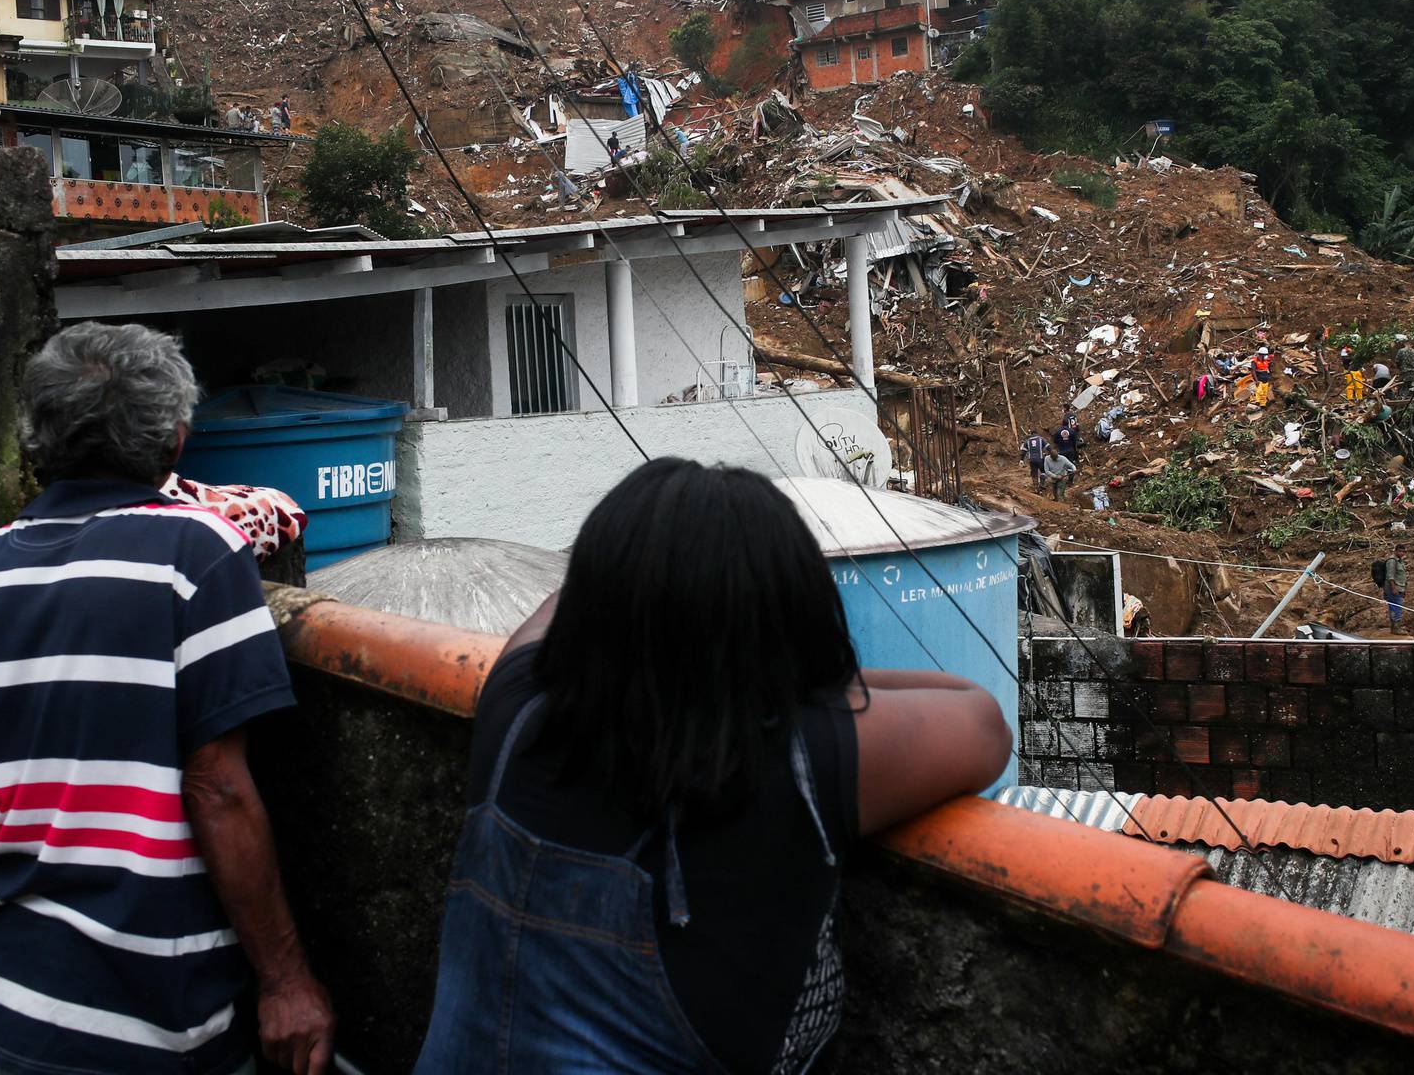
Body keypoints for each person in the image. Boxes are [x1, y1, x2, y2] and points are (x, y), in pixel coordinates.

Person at [410, 459, 1012, 1074]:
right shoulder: (791, 762)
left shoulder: (516, 707)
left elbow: (568, 607)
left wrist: (653, 533)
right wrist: (777, 683)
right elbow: (981, 719)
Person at [0, 323, 335, 1075]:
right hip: (144, 1025)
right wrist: (288, 982)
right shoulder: (196, 552)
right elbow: (218, 786)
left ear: (37, 438)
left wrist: (15, 812)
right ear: (174, 442)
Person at [1384, 541, 1408, 631]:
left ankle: (1396, 626)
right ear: (1396, 551)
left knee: (1397, 606)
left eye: (1404, 552)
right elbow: (1390, 576)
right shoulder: (1392, 561)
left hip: (1399, 588)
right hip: (1393, 588)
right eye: (1400, 551)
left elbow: (1401, 576)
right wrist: (1393, 588)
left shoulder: (1400, 561)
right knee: (1396, 607)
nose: (1402, 553)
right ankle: (1396, 628)